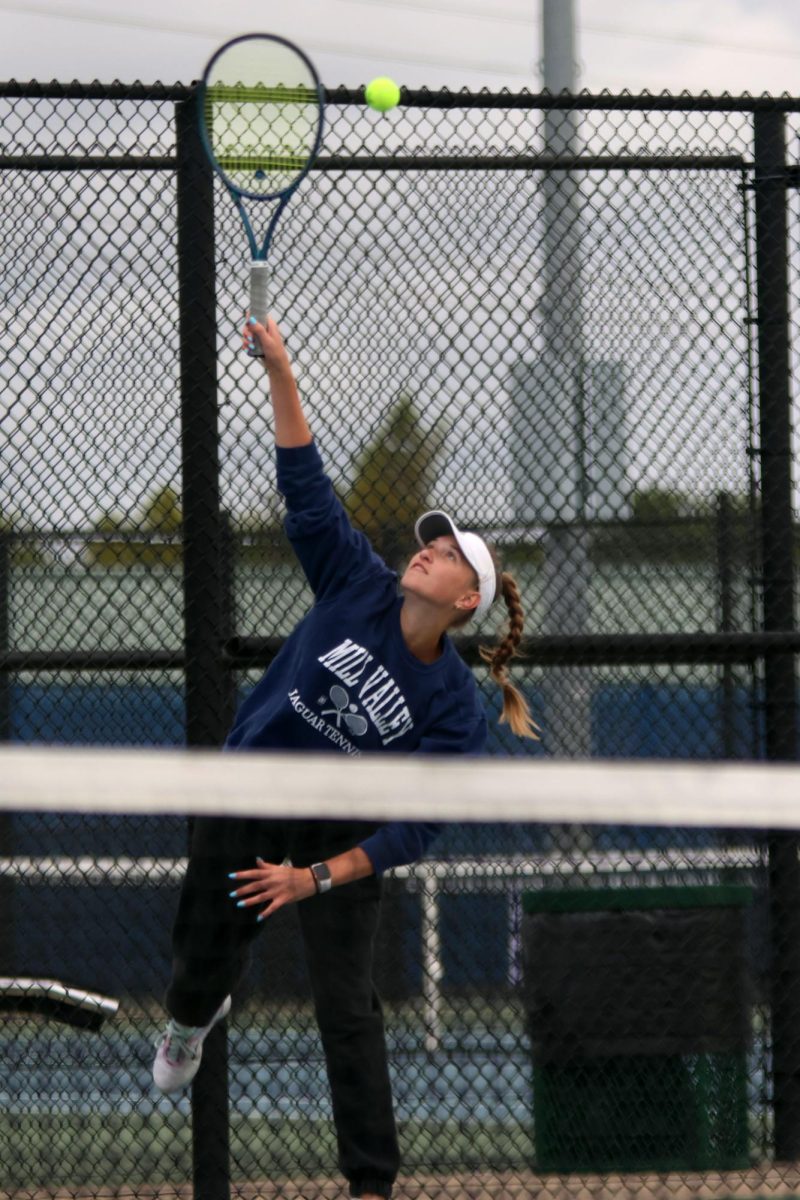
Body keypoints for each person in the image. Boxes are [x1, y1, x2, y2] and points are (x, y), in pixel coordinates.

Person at [153, 315, 538, 1200]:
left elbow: (416, 826)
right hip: (250, 788)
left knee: (348, 1011)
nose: (425, 551)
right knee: (202, 959)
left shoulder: (452, 711)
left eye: (443, 555)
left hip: (342, 837)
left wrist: (317, 877)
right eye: (427, 543)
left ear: (466, 599)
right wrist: (282, 367)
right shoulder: (355, 581)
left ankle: (371, 1186)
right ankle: (189, 1018)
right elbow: (305, 484)